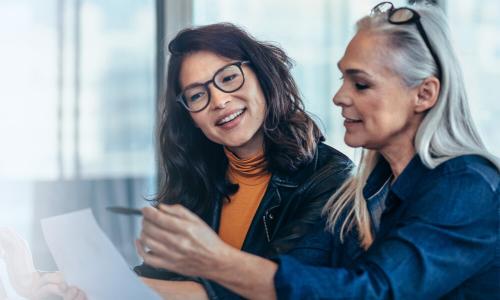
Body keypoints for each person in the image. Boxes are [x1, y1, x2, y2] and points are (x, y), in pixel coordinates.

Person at [138, 2, 500, 299]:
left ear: (424, 94)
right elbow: (304, 283)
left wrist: (213, 259)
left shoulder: (467, 185)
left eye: (360, 84)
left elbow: (372, 293)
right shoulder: (368, 190)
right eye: (343, 79)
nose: (339, 96)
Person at [135, 23, 353, 299]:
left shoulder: (331, 178)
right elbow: (158, 275)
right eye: (197, 95)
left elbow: (276, 289)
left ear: (262, 75)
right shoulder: (196, 176)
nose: (219, 101)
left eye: (228, 78)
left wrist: (121, 288)